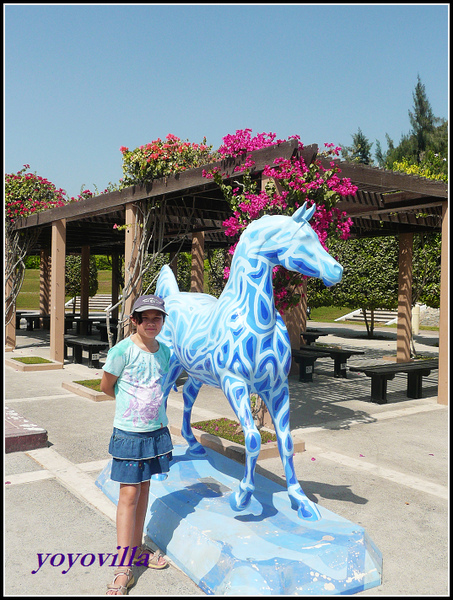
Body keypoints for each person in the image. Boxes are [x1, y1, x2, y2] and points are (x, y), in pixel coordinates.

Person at [101, 295, 172, 595]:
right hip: (129, 435)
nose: (152, 323)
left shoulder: (165, 352)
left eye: (158, 318)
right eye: (146, 318)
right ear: (134, 321)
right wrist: (133, 410)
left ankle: (138, 548)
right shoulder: (122, 351)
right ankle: (122, 565)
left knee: (143, 490)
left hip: (155, 433)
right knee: (129, 494)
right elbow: (106, 386)